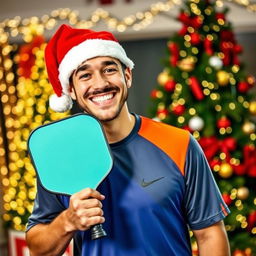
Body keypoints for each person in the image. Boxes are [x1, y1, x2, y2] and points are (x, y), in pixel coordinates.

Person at [26, 24, 231, 256]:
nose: (100, 83)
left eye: (109, 70)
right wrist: (67, 222)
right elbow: (37, 248)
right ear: (71, 90)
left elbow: (209, 233)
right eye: (85, 75)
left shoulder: (179, 143)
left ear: (127, 75)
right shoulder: (60, 157)